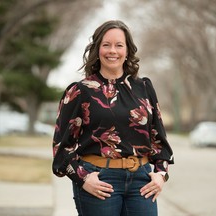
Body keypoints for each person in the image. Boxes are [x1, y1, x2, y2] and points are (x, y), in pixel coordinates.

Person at [52, 20, 174, 216]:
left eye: (119, 45)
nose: (112, 51)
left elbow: (159, 139)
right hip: (99, 181)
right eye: (106, 45)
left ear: (127, 51)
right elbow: (62, 147)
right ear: (97, 49)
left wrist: (160, 175)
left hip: (141, 181)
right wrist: (84, 178)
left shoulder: (144, 88)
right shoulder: (80, 91)